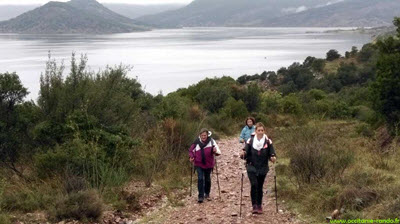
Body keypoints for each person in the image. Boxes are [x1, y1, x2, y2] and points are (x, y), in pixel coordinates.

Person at [240, 122, 276, 214]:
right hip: (251, 166)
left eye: (262, 130)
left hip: (263, 167)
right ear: (255, 131)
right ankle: (254, 205)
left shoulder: (268, 141)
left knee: (260, 186)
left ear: (264, 131)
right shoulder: (250, 140)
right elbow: (245, 151)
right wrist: (243, 154)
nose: (260, 132)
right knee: (254, 184)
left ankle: (259, 205)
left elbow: (272, 153)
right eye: (258, 130)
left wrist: (272, 157)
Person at [189, 128, 221, 203]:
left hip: (209, 163)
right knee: (200, 179)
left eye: (205, 135)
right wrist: (191, 156)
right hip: (199, 163)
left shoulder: (212, 141)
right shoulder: (196, 142)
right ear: (200, 135)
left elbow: (218, 151)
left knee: (207, 179)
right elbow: (191, 150)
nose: (203, 137)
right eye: (202, 135)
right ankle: (200, 196)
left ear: (207, 135)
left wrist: (215, 151)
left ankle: (207, 193)